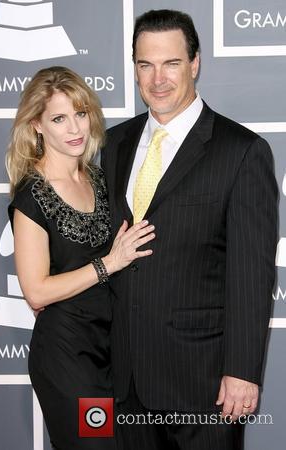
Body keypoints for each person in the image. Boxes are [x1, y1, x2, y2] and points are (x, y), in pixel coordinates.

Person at [101, 9, 278, 450]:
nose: (157, 79)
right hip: (123, 383)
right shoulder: (115, 145)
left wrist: (242, 371)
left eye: (171, 63)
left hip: (203, 383)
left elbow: (252, 275)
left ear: (195, 63)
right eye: (145, 64)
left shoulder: (241, 151)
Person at [6, 66, 155, 450]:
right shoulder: (32, 197)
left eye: (81, 113)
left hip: (113, 348)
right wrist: (110, 263)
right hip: (68, 355)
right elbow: (36, 292)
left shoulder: (100, 179)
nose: (74, 129)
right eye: (59, 118)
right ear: (37, 125)